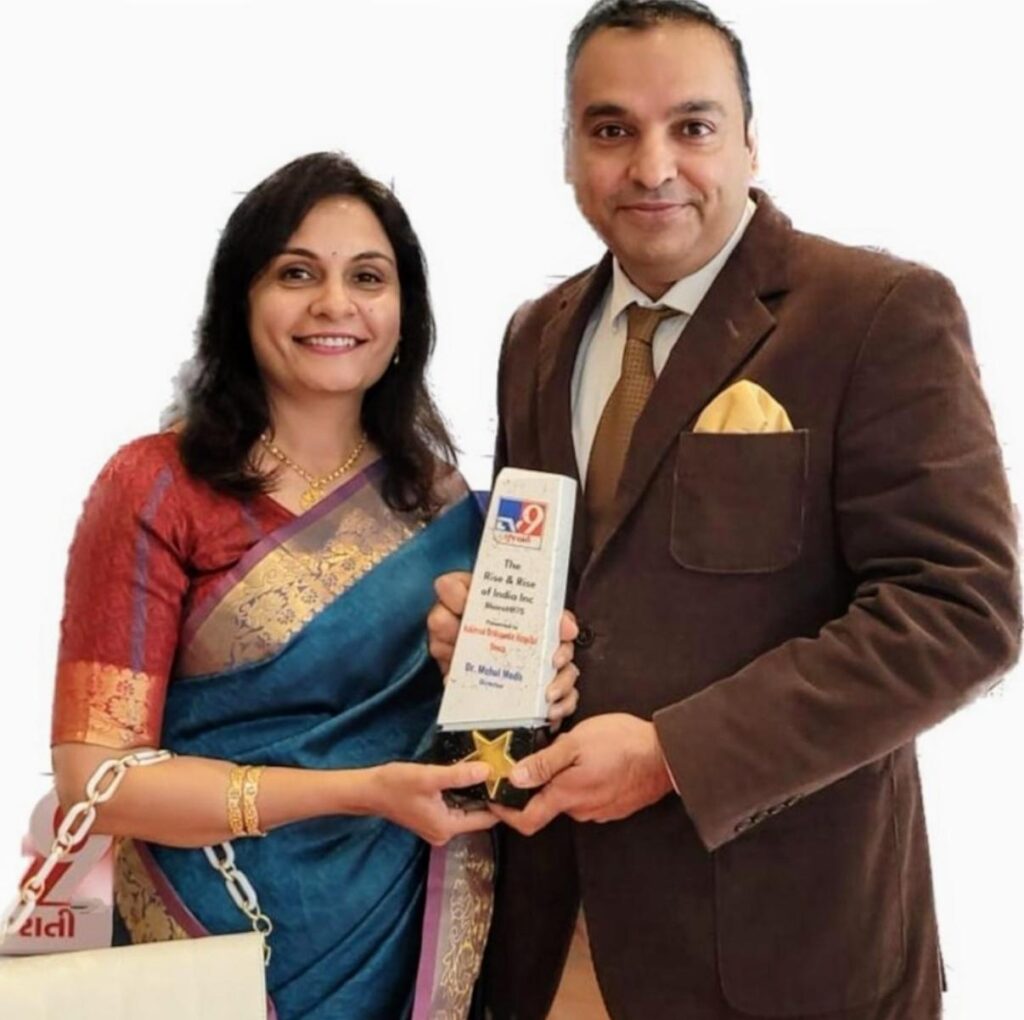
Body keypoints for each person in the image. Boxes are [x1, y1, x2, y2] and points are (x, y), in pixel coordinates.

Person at [427, 2, 1021, 1018]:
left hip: (786, 945)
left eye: (692, 126)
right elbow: (558, 570)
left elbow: (960, 612)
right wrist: (481, 627)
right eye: (610, 129)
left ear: (751, 140)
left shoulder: (879, 313)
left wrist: (676, 757)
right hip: (556, 930)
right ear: (568, 151)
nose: (651, 166)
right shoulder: (536, 335)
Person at [47, 151, 579, 1020]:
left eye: (368, 277)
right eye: (297, 273)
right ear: (239, 301)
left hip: (404, 939)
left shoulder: (448, 508)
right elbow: (95, 781)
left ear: (405, 314)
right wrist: (356, 791)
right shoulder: (156, 487)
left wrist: (541, 685)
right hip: (202, 946)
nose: (335, 304)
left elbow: (482, 731)